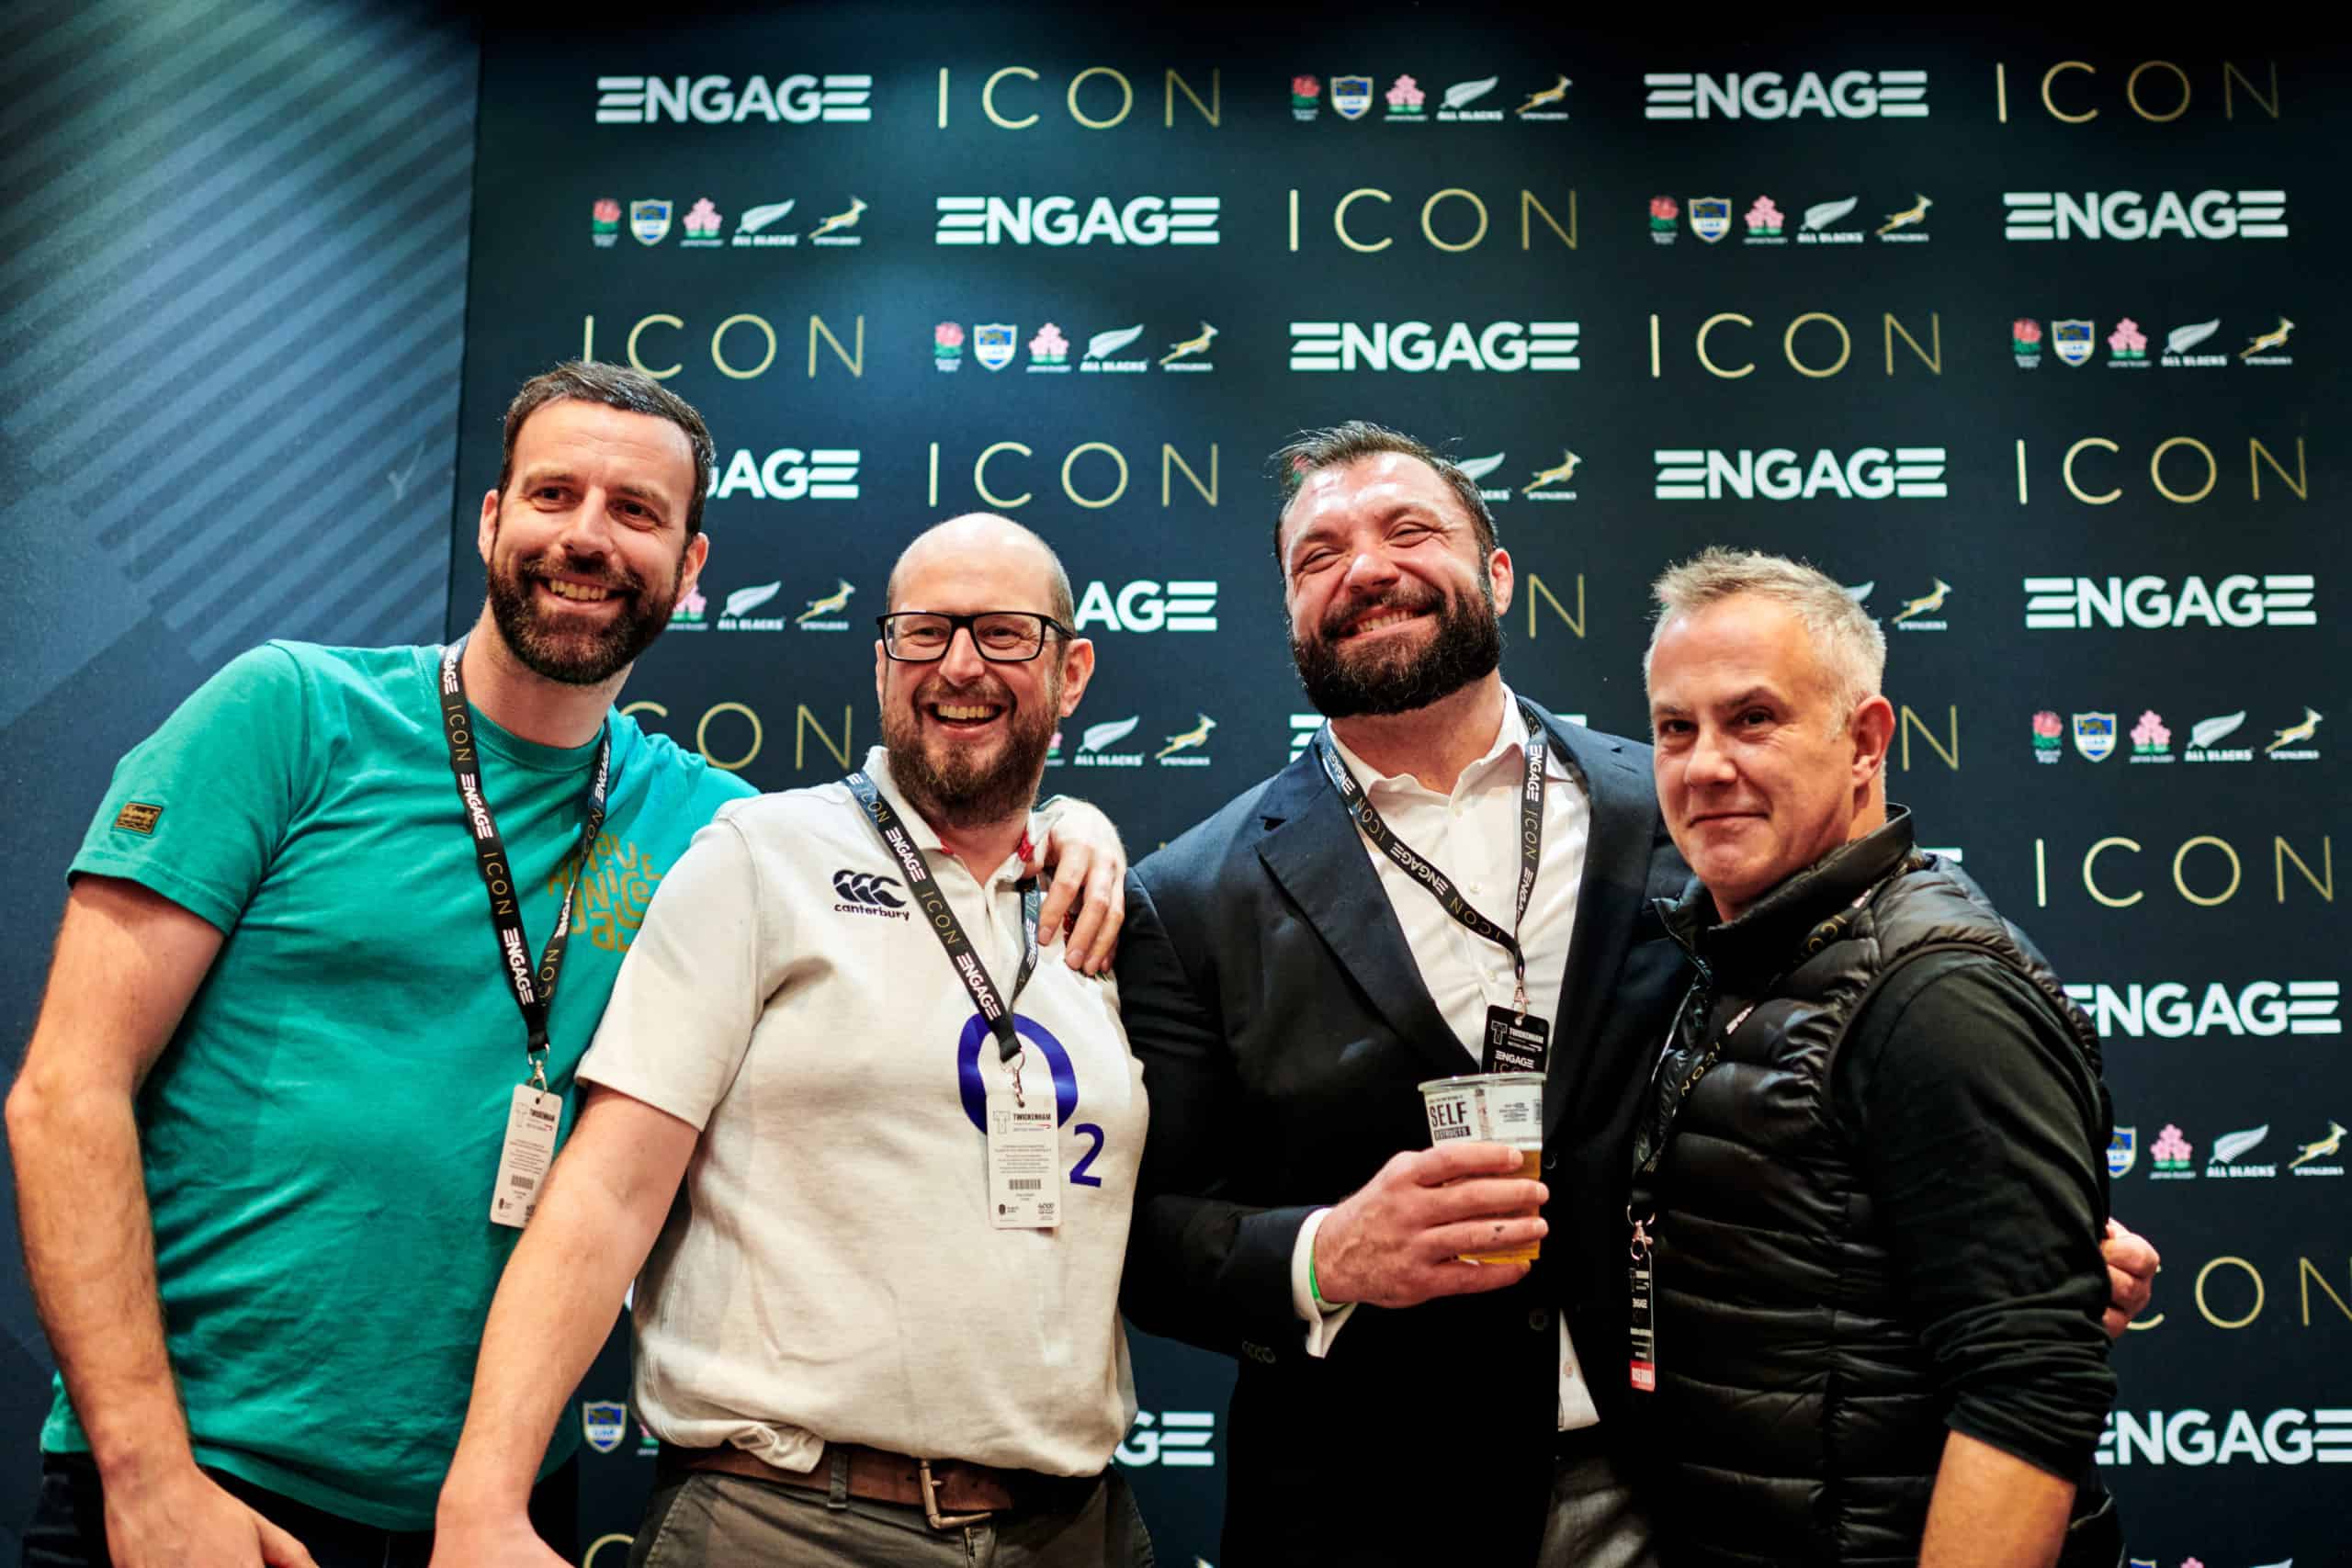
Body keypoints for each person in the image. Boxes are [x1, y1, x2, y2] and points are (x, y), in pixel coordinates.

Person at [6, 372, 1126, 1568]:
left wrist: (1068, 825)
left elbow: (929, 843)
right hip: (204, 1482)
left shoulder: (716, 828)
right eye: (554, 494)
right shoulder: (290, 716)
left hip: (496, 1506)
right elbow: (67, 1092)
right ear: (492, 520)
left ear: (690, 568)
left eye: (635, 511)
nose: (588, 535)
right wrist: (144, 1469)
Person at [1113, 423, 2158, 1568]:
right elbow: (1147, 1240)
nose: (1366, 568)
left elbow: (1828, 1055)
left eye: (1409, 530)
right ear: (1285, 608)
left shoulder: (1685, 804)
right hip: (1367, 1510)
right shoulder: (1187, 895)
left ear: (1497, 575)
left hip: (1689, 1495)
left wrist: (1995, 1243)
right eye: (1318, 555)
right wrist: (1325, 1254)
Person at [430, 514, 1152, 1568]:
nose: (959, 666)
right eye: (924, 632)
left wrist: (1083, 824)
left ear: (1070, 672)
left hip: (1072, 1528)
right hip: (789, 1522)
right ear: (881, 662)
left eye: (1003, 633)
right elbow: (610, 1190)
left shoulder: (1096, 907)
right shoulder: (761, 858)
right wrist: (486, 1499)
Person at [1632, 548, 2120, 1568]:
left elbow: (2028, 1386)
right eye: (1676, 728)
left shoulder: (1938, 992)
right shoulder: (1729, 953)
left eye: (1752, 718)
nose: (1705, 765)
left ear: (1864, 740)